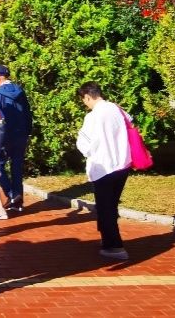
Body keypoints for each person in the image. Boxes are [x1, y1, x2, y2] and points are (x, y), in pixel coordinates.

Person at [75, 81, 132, 261]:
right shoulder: (117, 109)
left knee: (105, 207)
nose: (85, 104)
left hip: (103, 166)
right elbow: (130, 123)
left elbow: (84, 144)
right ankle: (108, 239)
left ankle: (114, 245)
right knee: (111, 204)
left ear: (87, 96)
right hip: (122, 163)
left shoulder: (92, 117)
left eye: (84, 100)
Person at [0, 65, 33, 215]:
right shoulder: (20, 91)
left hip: (6, 136)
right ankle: (18, 201)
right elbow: (28, 113)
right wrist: (27, 132)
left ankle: (11, 194)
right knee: (17, 166)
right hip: (21, 135)